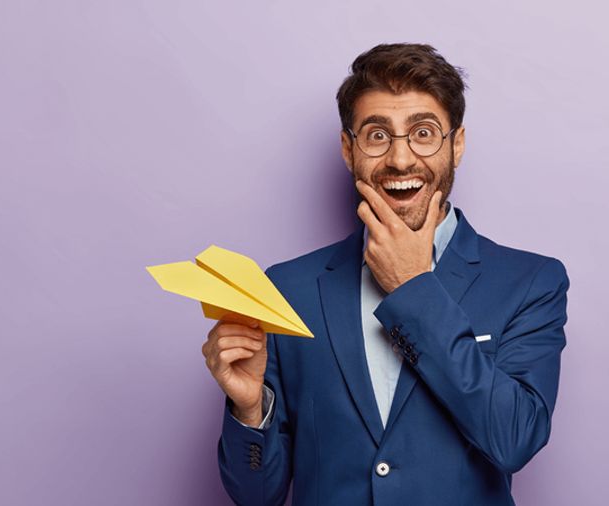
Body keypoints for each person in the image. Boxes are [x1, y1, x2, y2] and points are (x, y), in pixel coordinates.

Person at [201, 43, 570, 506]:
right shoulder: (288, 289)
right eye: (377, 135)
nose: (400, 159)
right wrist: (250, 408)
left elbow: (515, 439)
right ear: (348, 149)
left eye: (423, 133)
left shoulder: (531, 282)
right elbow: (257, 496)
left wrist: (413, 287)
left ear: (456, 145)